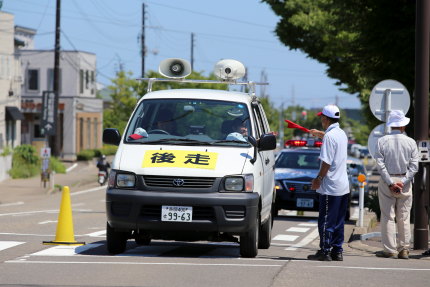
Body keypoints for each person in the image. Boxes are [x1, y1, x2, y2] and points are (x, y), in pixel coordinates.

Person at [374, 110, 419, 259]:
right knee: (404, 216)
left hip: (387, 181)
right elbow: (414, 166)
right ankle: (404, 249)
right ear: (403, 126)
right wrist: (403, 181)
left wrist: (390, 182)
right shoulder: (411, 142)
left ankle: (389, 249)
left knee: (387, 216)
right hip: (404, 181)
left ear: (391, 126)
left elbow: (380, 165)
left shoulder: (382, 141)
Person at [307, 104, 350, 261]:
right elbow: (332, 140)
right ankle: (337, 251)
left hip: (330, 186)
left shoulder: (330, 137)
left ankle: (325, 251)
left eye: (321, 117)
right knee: (338, 221)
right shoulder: (341, 134)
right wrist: (321, 134)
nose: (320, 119)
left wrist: (318, 179)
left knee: (325, 221)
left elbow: (326, 162)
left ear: (325, 118)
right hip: (343, 186)